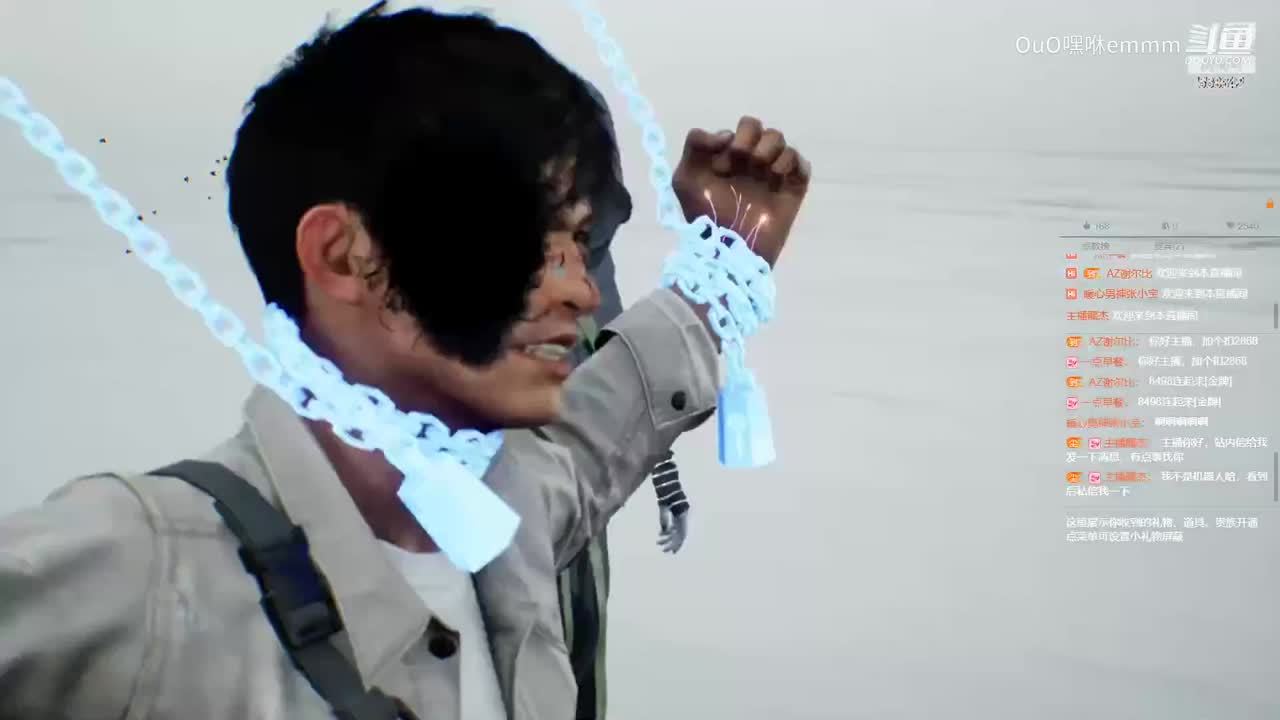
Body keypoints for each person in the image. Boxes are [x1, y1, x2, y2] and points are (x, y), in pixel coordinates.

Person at [0, 4, 811, 720]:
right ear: (342, 255)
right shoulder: (143, 566)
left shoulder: (510, 517)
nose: (582, 291)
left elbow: (602, 430)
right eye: (523, 237)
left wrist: (726, 263)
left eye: (577, 241)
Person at [556, 87, 694, 720]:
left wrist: (667, 484)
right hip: (525, 516)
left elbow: (623, 371)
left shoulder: (592, 266)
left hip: (582, 522)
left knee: (581, 674)